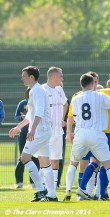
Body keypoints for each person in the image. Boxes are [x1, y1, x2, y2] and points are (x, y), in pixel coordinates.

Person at [64, 73, 110, 201]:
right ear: (94, 84)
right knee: (107, 164)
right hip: (97, 133)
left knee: (73, 164)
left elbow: (72, 116)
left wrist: (69, 132)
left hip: (81, 133)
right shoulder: (100, 96)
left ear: (81, 84)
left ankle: (68, 191)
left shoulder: (75, 98)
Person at [9, 66, 57, 202]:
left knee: (24, 158)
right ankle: (52, 195)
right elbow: (30, 115)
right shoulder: (32, 91)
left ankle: (41, 190)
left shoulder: (37, 91)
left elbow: (39, 112)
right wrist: (18, 128)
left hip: (40, 132)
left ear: (31, 77)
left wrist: (32, 130)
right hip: (43, 131)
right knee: (45, 163)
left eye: (24, 75)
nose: (22, 78)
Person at [41, 67, 68, 190]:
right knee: (44, 159)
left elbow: (65, 104)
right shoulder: (42, 90)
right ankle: (42, 186)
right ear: (53, 77)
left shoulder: (59, 89)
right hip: (46, 132)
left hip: (58, 132)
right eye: (60, 76)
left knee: (56, 159)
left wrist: (62, 119)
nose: (62, 78)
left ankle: (53, 186)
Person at [14, 97, 40, 189]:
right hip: (24, 133)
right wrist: (21, 117)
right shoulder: (22, 103)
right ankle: (19, 182)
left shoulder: (37, 103)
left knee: (34, 157)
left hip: (34, 134)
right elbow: (16, 116)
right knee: (22, 157)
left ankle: (33, 182)